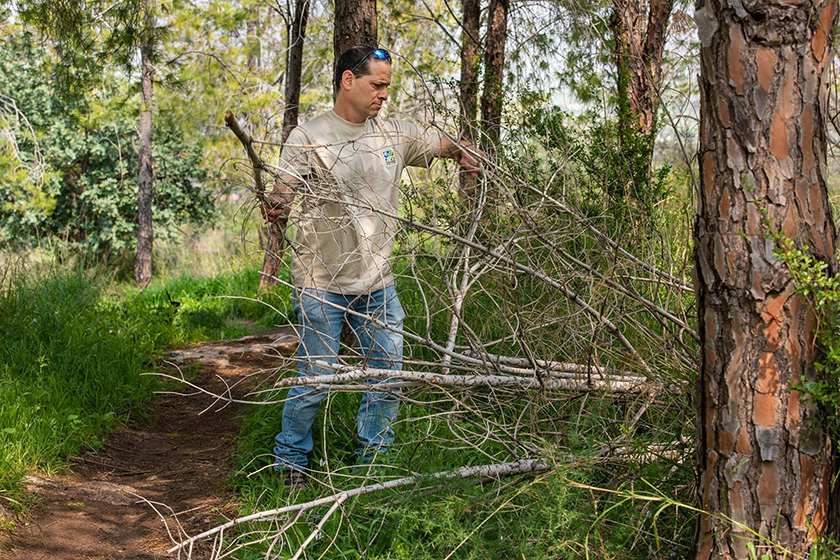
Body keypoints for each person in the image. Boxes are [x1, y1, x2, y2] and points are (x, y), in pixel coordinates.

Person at [263, 46, 480, 488]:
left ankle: (372, 461)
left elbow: (439, 144)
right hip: (320, 281)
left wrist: (464, 152)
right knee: (318, 376)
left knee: (387, 372)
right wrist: (275, 208)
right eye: (376, 84)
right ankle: (290, 459)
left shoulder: (392, 135)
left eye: (387, 85)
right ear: (348, 81)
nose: (384, 94)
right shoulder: (309, 136)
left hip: (378, 283)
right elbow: (281, 197)